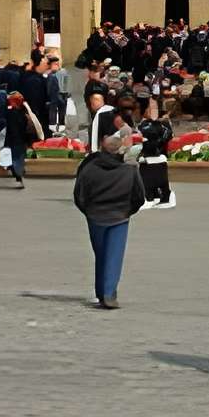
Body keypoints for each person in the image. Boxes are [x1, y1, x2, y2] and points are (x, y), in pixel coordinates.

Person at [72, 125, 144, 309]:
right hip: (120, 216)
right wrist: (127, 211)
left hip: (95, 216)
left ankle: (101, 291)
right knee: (114, 255)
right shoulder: (129, 170)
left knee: (101, 253)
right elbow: (139, 197)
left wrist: (88, 211)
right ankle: (109, 292)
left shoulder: (89, 168)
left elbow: (79, 194)